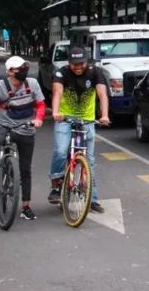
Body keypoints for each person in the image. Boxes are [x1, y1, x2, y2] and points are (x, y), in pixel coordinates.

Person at [0, 56, 45, 221]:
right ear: (10, 72)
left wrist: (39, 118)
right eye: (19, 69)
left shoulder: (32, 84)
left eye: (24, 68)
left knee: (26, 169)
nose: (23, 71)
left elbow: (41, 104)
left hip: (26, 129)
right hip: (4, 127)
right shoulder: (0, 86)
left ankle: (26, 206)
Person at [48, 46, 110, 213]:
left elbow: (102, 95)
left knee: (89, 161)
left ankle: (93, 199)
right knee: (61, 151)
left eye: (81, 63)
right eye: (74, 64)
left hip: (87, 121)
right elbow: (57, 93)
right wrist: (55, 112)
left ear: (86, 61)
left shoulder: (95, 72)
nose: (78, 67)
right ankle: (56, 185)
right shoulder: (62, 73)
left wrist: (104, 115)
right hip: (65, 119)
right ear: (69, 63)